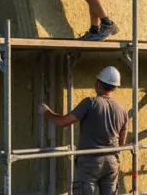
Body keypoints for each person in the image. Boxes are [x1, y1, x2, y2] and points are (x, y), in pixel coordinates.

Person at [39, 66, 128, 195]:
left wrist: (46, 112)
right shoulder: (122, 110)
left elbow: (63, 122)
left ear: (98, 83)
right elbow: (121, 142)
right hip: (112, 162)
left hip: (89, 161)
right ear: (115, 87)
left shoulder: (90, 103)